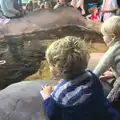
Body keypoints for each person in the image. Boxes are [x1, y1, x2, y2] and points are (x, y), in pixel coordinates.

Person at [41, 36, 120, 120]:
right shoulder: (91, 77)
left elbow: (51, 114)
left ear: (58, 71)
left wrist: (47, 96)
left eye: (50, 65)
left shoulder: (60, 94)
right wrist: (65, 83)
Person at [93, 16, 120, 85]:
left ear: (113, 36)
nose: (103, 37)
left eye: (104, 35)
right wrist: (113, 74)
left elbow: (98, 70)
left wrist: (88, 80)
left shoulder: (112, 51)